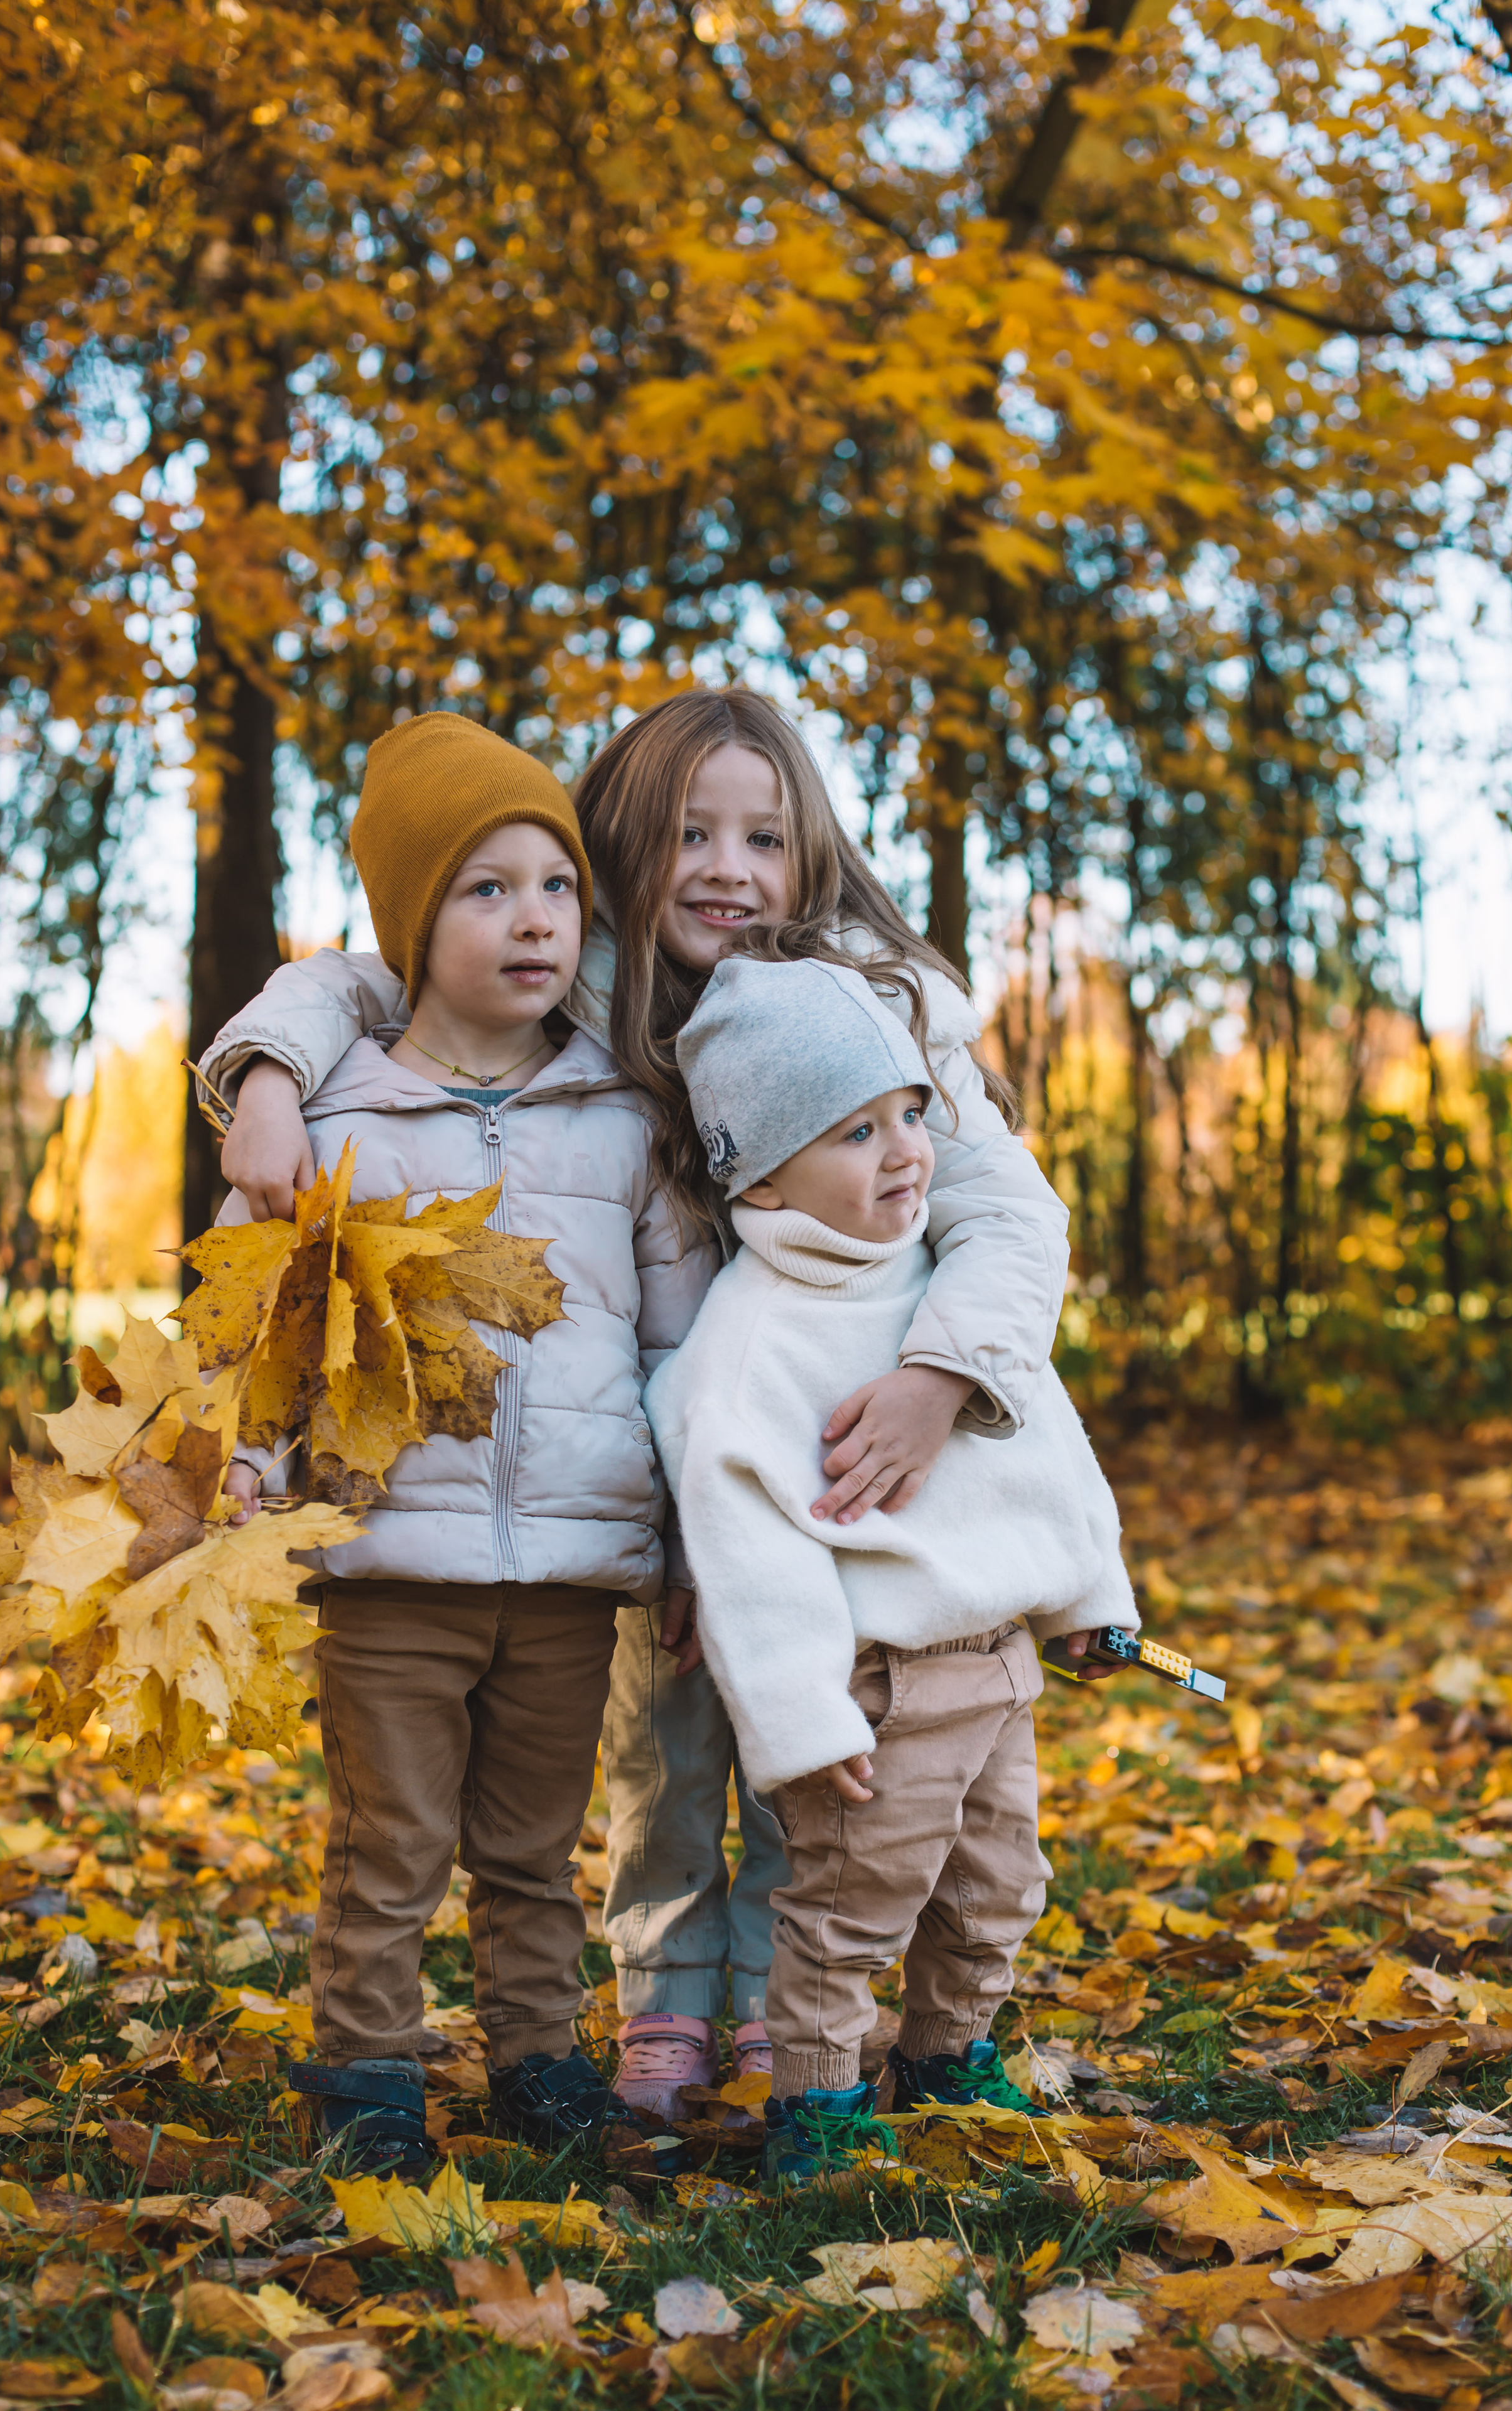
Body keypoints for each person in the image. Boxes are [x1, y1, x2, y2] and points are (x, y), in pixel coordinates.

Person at [197, 691, 1073, 2119]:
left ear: (812, 859)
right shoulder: (574, 990)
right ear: (622, 849)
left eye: (764, 838)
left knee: (825, 1724)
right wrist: (262, 1072)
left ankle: (793, 2006)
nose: (728, 868)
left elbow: (1007, 1216)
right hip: (629, 1445)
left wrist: (941, 1377)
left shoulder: (870, 1005)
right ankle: (666, 1995)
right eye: (689, 835)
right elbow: (368, 977)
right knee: (660, 1724)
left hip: (841, 1432)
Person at [217, 712, 711, 2175]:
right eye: (486, 891)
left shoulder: (623, 1115)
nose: (535, 921)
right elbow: (276, 1328)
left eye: (556, 888)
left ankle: (538, 2061)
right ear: (412, 926)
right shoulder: (338, 1112)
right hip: (391, 1562)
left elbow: (682, 1348)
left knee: (532, 1849)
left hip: (569, 1565)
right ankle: (367, 2071)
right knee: (389, 1844)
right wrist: (252, 1460)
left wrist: (688, 1531)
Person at [644, 956, 1136, 2184]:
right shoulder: (747, 1345)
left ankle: (947, 2049)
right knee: (852, 1911)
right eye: (856, 1130)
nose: (906, 1149)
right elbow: (748, 1547)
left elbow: (1046, 1458)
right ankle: (815, 2100)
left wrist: (1092, 1602)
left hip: (998, 1668)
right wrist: (803, 1718)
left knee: (996, 1888)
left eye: (911, 1113)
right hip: (879, 1694)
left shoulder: (935, 1287)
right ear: (757, 1174)